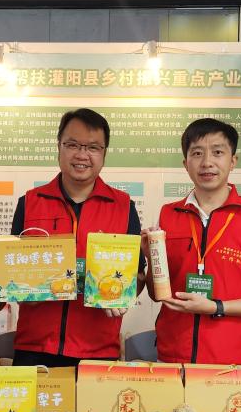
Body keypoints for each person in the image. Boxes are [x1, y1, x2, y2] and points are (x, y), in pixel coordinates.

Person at [145, 118, 241, 364]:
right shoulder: (168, 214)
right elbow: (157, 294)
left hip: (235, 361)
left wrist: (216, 307)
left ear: (233, 161)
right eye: (197, 153)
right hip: (174, 356)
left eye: (218, 152)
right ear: (186, 164)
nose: (207, 162)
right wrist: (151, 258)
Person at [10, 108, 143, 367]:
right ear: (58, 147)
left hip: (98, 349)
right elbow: (13, 272)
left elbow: (137, 275)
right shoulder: (30, 203)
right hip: (34, 347)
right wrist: (23, 289)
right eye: (72, 145)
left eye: (93, 147)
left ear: (104, 154)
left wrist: (122, 297)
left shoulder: (124, 207)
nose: (82, 155)